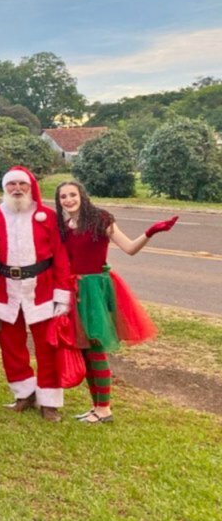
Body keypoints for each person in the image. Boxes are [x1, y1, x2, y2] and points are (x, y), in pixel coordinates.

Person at [55, 181, 177, 424]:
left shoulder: (100, 219)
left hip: (96, 290)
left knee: (97, 348)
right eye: (63, 197)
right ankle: (96, 407)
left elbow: (130, 248)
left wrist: (150, 232)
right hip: (74, 290)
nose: (68, 200)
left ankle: (105, 409)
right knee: (86, 350)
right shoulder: (63, 226)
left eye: (72, 195)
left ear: (82, 195)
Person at [0, 166, 72, 422]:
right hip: (3, 287)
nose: (17, 189)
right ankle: (24, 393)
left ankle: (49, 401)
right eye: (12, 185)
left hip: (41, 287)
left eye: (22, 185)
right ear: (4, 187)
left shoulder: (48, 216)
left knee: (47, 346)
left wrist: (63, 295)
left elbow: (61, 256)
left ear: (30, 187)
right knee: (10, 344)